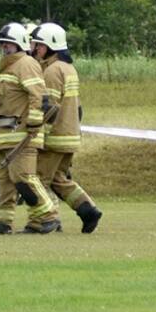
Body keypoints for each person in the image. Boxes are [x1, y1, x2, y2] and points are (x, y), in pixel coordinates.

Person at [0, 22, 55, 234]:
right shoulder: (7, 67)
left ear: (20, 44)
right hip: (4, 135)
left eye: (9, 44)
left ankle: (47, 217)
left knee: (24, 178)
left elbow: (37, 96)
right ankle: (2, 223)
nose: (5, 47)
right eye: (3, 44)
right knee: (3, 180)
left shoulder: (26, 64)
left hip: (21, 135)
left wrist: (32, 123)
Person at [29, 23, 102, 234]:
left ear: (51, 46)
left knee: (39, 179)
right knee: (59, 180)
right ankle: (88, 210)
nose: (36, 49)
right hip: (70, 136)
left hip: (55, 137)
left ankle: (46, 221)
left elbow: (49, 107)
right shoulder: (69, 68)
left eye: (40, 46)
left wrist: (34, 127)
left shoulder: (52, 71)